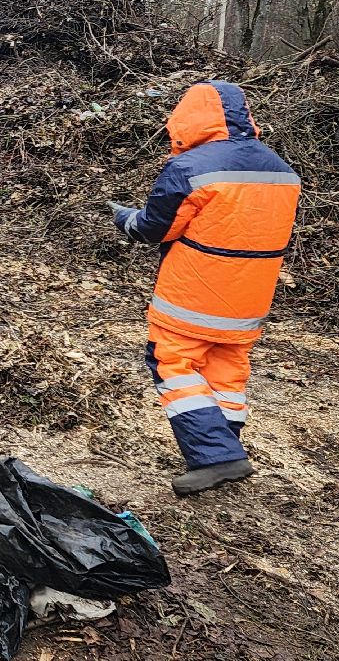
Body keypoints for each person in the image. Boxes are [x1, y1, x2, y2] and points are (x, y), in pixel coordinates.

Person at [111, 80, 300, 496]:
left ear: (188, 119)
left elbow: (155, 228)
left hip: (194, 293)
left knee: (173, 365)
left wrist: (124, 217)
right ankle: (223, 447)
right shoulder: (281, 169)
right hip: (251, 298)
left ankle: (218, 456)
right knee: (226, 371)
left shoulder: (190, 168)